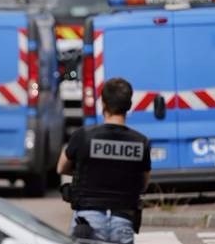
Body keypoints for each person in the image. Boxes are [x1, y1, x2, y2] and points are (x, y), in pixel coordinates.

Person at [57, 77, 151, 244]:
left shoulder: (83, 136)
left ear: (103, 104)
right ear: (128, 106)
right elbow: (143, 184)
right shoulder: (140, 142)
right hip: (123, 220)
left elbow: (61, 167)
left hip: (87, 221)